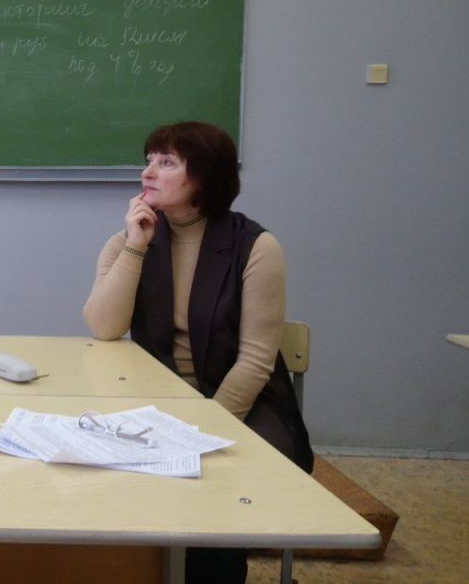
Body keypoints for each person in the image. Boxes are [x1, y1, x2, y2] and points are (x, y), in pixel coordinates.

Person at [82, 121, 311, 584]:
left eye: (167, 162)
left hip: (241, 401)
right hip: (156, 396)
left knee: (217, 482)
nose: (148, 172)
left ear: (204, 177)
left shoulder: (255, 246)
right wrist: (135, 247)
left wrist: (199, 435)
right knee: (100, 470)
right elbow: (104, 327)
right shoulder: (128, 239)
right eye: (149, 160)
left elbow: (255, 362)